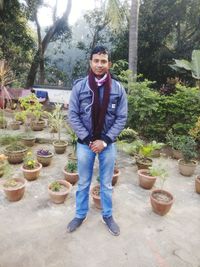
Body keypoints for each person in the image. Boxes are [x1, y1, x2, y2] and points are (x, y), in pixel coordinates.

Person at [67, 45, 127, 236]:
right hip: (86, 144)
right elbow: (73, 115)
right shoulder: (79, 87)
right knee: (83, 182)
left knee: (107, 183)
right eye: (96, 60)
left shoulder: (118, 89)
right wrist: (89, 139)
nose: (99, 65)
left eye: (103, 61)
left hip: (107, 145)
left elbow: (121, 117)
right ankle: (80, 214)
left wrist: (105, 140)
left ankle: (107, 215)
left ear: (109, 63)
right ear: (90, 62)